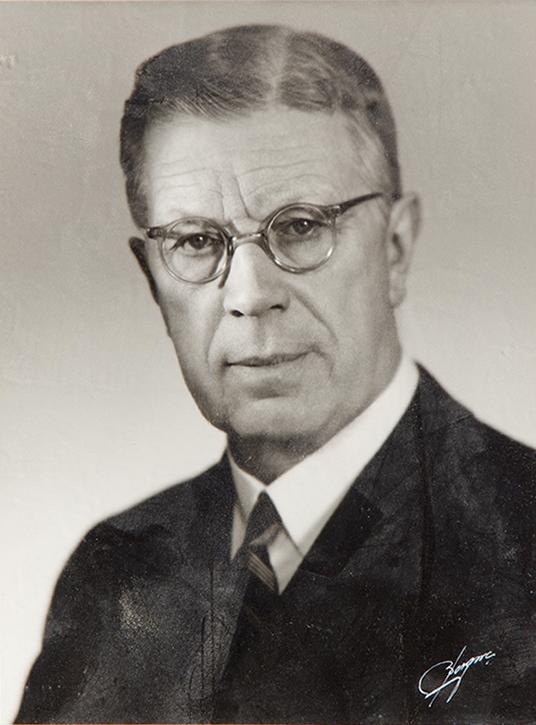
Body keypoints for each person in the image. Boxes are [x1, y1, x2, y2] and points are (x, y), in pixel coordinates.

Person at [16, 24, 536, 725]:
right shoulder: (113, 574)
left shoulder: (522, 539)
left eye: (299, 227)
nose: (249, 293)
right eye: (197, 242)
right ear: (151, 281)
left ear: (397, 248)